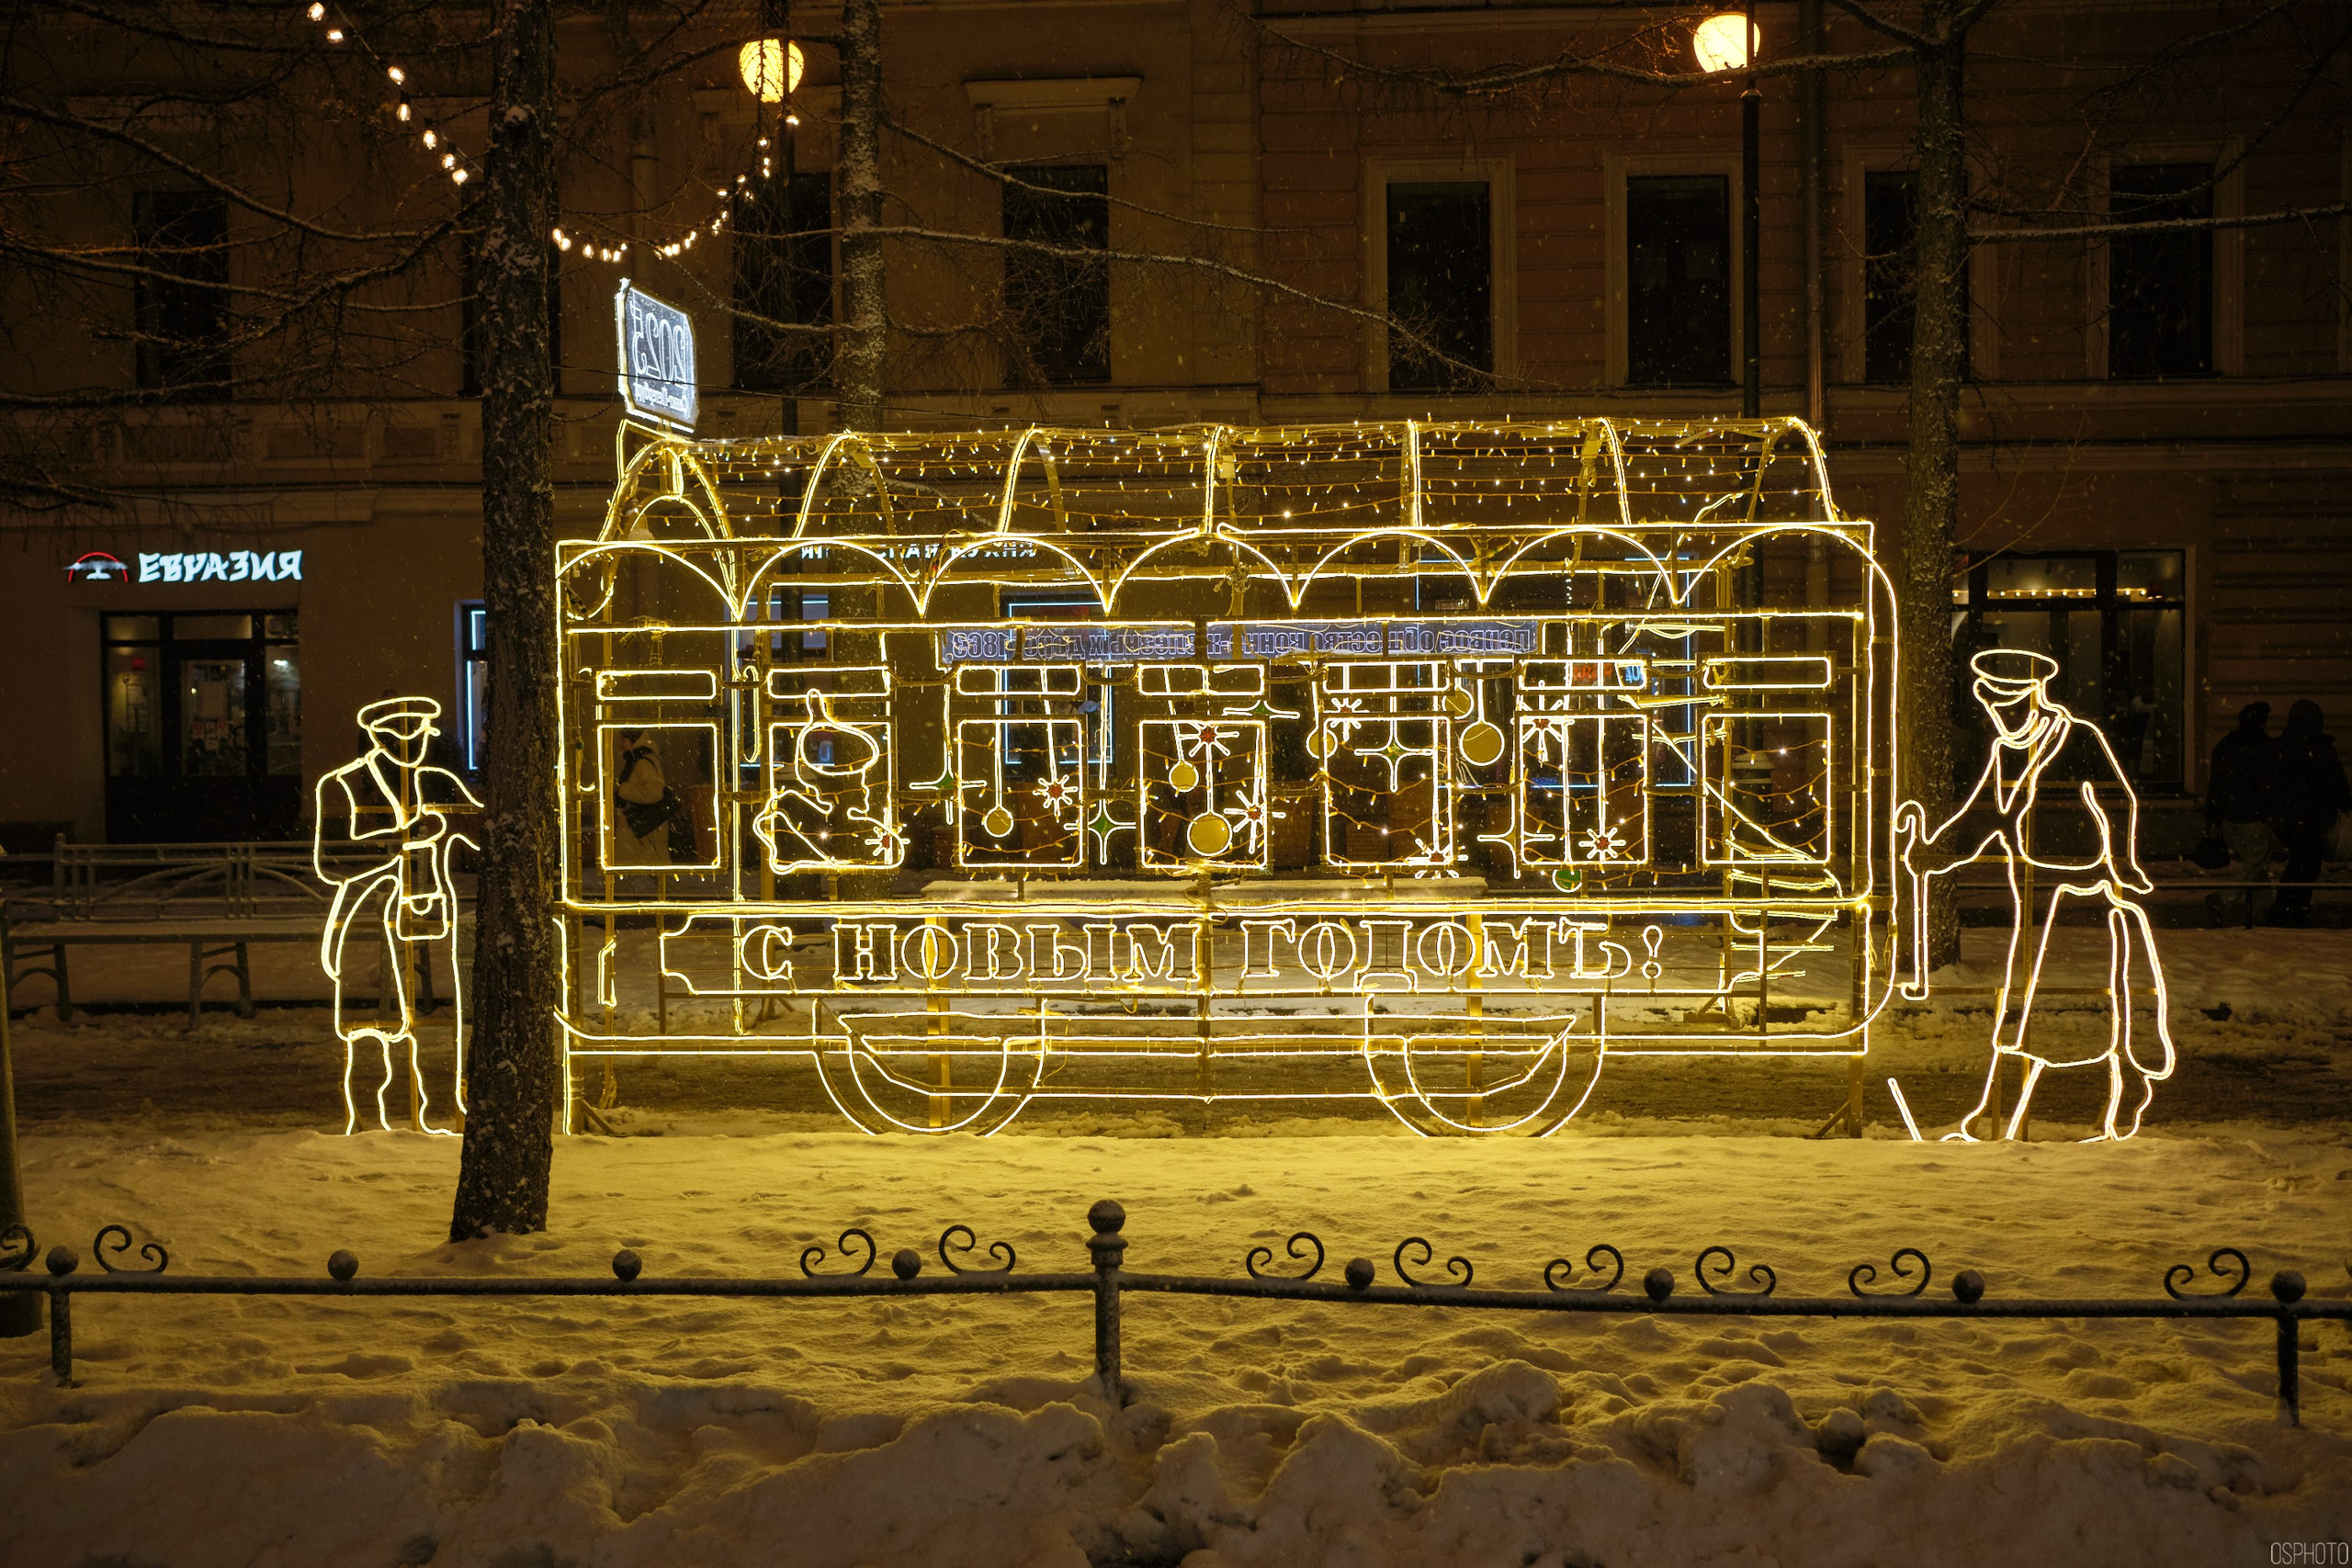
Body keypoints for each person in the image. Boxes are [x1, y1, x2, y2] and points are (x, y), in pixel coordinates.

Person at [1897, 649, 2176, 1142]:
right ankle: (1995, 1115)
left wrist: (2123, 864)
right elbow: (1987, 815)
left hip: (2084, 896)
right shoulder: (2006, 752)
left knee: (2094, 1015)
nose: (1998, 719)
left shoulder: (2078, 739)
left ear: (2035, 697)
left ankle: (2114, 1109)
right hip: (2036, 896)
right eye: (1991, 710)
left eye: (2008, 709)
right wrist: (1935, 853)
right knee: (2024, 1012)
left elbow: (2118, 800)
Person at [315, 696, 479, 1135]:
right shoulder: (347, 781)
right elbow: (332, 858)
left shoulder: (435, 780)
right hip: (370, 916)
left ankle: (444, 1108)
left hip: (432, 913)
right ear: (381, 736)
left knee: (445, 1019)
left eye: (425, 733)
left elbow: (483, 830)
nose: (422, 741)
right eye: (412, 735)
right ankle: (373, 1115)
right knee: (369, 1026)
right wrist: (403, 842)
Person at [2267, 699, 2350, 927]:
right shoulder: (2319, 750)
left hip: (2296, 817)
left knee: (2302, 863)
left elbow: (2275, 784)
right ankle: (2293, 907)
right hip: (2312, 818)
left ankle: (2290, 907)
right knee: (2306, 864)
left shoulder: (2285, 748)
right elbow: (2335, 783)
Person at [2203, 701, 2275, 927]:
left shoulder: (2226, 745)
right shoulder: (2265, 748)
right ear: (2262, 722)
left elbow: (2215, 784)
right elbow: (2270, 785)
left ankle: (2262, 913)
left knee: (2259, 867)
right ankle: (2222, 899)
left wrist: (2213, 818)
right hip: (2254, 818)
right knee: (2257, 867)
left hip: (2230, 816)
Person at [612, 728, 700, 866]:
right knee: (653, 870)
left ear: (633, 741)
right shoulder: (638, 759)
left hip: (644, 827)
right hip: (642, 825)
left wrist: (624, 790)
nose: (621, 745)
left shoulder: (642, 762)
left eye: (624, 740)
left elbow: (654, 792)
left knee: (631, 867)